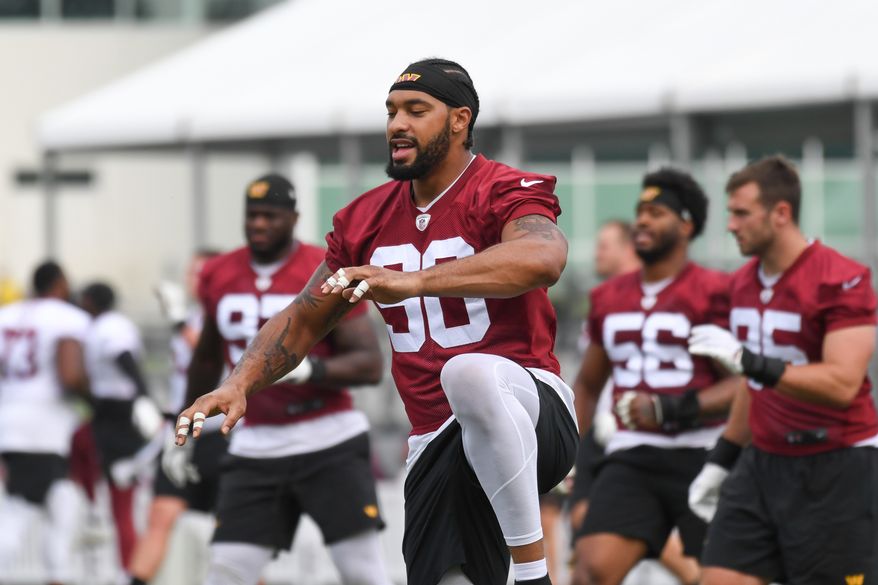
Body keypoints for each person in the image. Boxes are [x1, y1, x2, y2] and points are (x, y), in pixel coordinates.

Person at [176, 58, 578, 585]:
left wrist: (415, 281)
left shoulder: (501, 188)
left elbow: (543, 258)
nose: (397, 124)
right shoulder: (365, 218)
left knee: (468, 373)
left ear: (460, 120)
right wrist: (240, 382)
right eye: (391, 111)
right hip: (434, 440)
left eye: (416, 110)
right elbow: (302, 318)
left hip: (529, 410)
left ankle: (533, 574)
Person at [178, 173, 391, 585]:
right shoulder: (220, 271)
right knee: (225, 571)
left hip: (327, 437)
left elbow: (369, 364)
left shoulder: (320, 267)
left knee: (361, 572)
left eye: (269, 216)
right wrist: (183, 419)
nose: (258, 224)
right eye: (251, 215)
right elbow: (206, 359)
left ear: (294, 218)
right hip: (256, 442)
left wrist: (312, 369)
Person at [687, 155, 878, 585]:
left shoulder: (841, 278)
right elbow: (753, 385)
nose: (731, 225)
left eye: (741, 213)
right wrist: (722, 459)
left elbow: (842, 383)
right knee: (717, 578)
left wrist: (751, 362)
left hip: (835, 464)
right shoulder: (741, 283)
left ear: (781, 213)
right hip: (764, 462)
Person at [571, 169, 738, 585]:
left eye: (657, 212)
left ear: (686, 225)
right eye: (640, 212)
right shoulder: (607, 296)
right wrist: (580, 461)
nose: (642, 221)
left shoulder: (715, 289)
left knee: (725, 577)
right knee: (591, 570)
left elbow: (743, 381)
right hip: (632, 457)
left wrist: (669, 408)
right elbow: (589, 385)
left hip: (703, 454)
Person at [127, 249, 223, 585]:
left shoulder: (226, 313)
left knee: (234, 539)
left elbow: (215, 357)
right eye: (192, 273)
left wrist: (180, 321)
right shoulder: (190, 318)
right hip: (184, 436)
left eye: (203, 272)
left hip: (222, 434)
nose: (195, 280)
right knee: (161, 516)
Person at [0, 261, 91, 585]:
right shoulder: (66, 318)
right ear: (60, 284)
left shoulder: (8, 315)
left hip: (11, 420)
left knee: (64, 501)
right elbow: (69, 374)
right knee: (19, 509)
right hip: (44, 427)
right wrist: (95, 397)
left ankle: (59, 576)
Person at [80, 281, 163, 571]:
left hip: (120, 414)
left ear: (90, 300)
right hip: (112, 412)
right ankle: (129, 567)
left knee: (123, 498)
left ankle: (132, 568)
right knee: (119, 500)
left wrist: (143, 398)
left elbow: (124, 359)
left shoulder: (109, 325)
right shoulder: (102, 325)